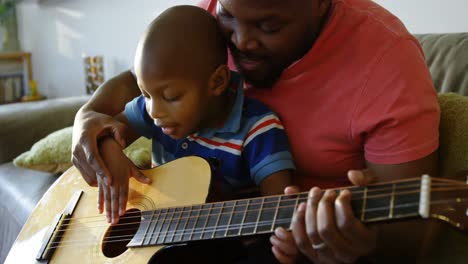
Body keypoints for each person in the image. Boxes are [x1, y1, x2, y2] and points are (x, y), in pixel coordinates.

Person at [72, 0, 440, 263]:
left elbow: (412, 236)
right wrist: (88, 118)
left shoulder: (388, 60)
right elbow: (145, 79)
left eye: (269, 26)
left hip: (275, 234)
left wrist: (364, 243)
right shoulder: (209, 21)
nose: (241, 42)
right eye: (228, 16)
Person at [95, 5, 295, 226]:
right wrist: (110, 150)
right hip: (161, 229)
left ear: (217, 81)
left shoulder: (259, 128)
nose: (154, 111)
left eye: (171, 97)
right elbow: (107, 132)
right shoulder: (154, 111)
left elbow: (280, 207)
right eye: (146, 94)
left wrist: (283, 235)